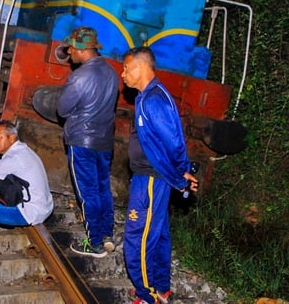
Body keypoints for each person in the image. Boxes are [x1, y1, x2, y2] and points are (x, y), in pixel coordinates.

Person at [120, 46, 199, 304]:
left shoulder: (153, 99)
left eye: (126, 67)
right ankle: (160, 287)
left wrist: (180, 175)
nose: (123, 74)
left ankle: (148, 296)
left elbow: (174, 141)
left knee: (137, 238)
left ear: (141, 67)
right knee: (159, 234)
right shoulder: (147, 96)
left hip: (152, 179)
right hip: (151, 177)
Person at [56, 26, 119, 258]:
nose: (69, 52)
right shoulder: (111, 73)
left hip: (82, 141)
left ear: (82, 49)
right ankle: (107, 235)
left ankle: (94, 243)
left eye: (72, 48)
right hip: (104, 141)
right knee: (103, 189)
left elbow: (62, 109)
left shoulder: (80, 76)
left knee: (87, 193)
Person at [0, 120, 54, 257]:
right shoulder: (25, 150)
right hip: (45, 207)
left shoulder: (13, 158)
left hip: (30, 213)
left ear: (11, 138)